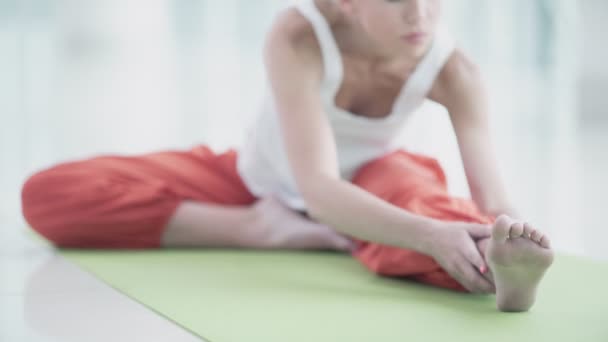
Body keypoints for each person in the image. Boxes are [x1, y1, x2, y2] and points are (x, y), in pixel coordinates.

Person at [21, 0, 554, 312]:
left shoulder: (454, 70)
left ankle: (500, 277)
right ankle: (259, 229)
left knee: (449, 222)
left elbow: (495, 198)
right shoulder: (300, 34)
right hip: (256, 177)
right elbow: (318, 187)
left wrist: (503, 232)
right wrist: (423, 234)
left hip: (377, 182)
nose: (419, 15)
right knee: (48, 194)